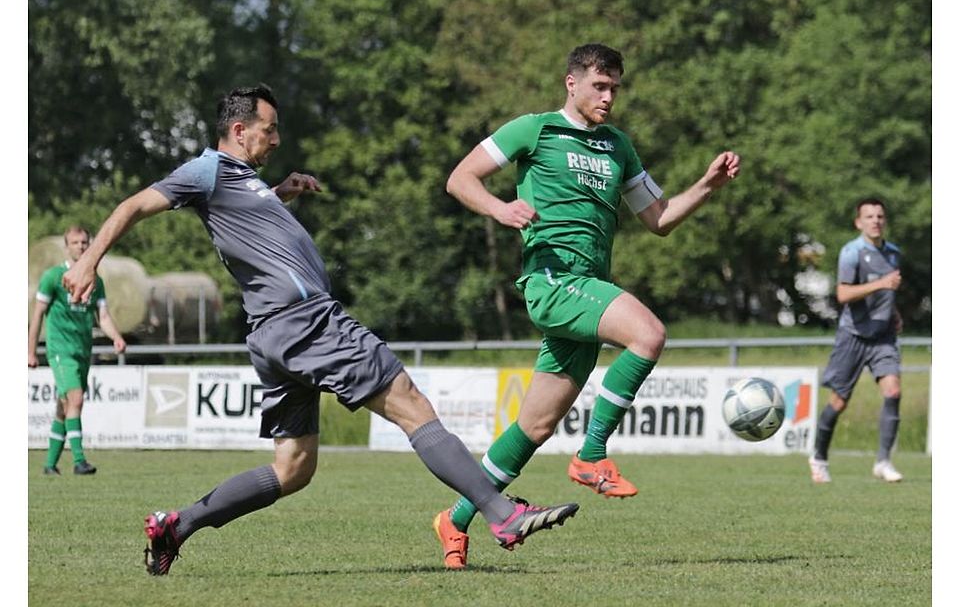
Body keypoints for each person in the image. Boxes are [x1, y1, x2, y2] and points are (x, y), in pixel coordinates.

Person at [62, 84, 579, 576]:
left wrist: (278, 192)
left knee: (294, 467)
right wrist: (90, 265)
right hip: (306, 321)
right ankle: (499, 512)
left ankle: (178, 526)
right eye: (270, 129)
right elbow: (133, 205)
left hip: (274, 333)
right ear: (239, 130)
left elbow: (248, 226)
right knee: (410, 402)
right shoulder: (206, 170)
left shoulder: (242, 181)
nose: (277, 138)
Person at [435, 43, 740, 568]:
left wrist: (707, 186)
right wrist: (500, 208)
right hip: (553, 281)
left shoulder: (618, 146)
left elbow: (659, 218)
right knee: (649, 334)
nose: (608, 97)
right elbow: (461, 178)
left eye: (615, 88)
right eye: (600, 86)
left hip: (587, 287)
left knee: (534, 427)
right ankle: (591, 455)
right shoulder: (533, 129)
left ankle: (455, 519)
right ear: (571, 83)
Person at [808, 198, 905, 484]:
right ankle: (819, 457)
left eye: (880, 216)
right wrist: (882, 283)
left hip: (883, 336)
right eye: (869, 216)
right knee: (838, 402)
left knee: (893, 391)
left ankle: (883, 461)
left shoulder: (894, 253)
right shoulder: (851, 253)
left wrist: (895, 313)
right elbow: (843, 295)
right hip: (853, 336)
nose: (875, 220)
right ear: (858, 222)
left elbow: (888, 293)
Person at [28, 226, 127, 476]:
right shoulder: (53, 277)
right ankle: (79, 461)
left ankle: (50, 465)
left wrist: (116, 337)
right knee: (76, 399)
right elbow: (38, 314)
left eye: (84, 242)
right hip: (60, 350)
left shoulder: (96, 280)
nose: (81, 247)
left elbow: (102, 316)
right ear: (67, 246)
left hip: (83, 350)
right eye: (75, 243)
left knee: (65, 406)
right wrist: (30, 351)